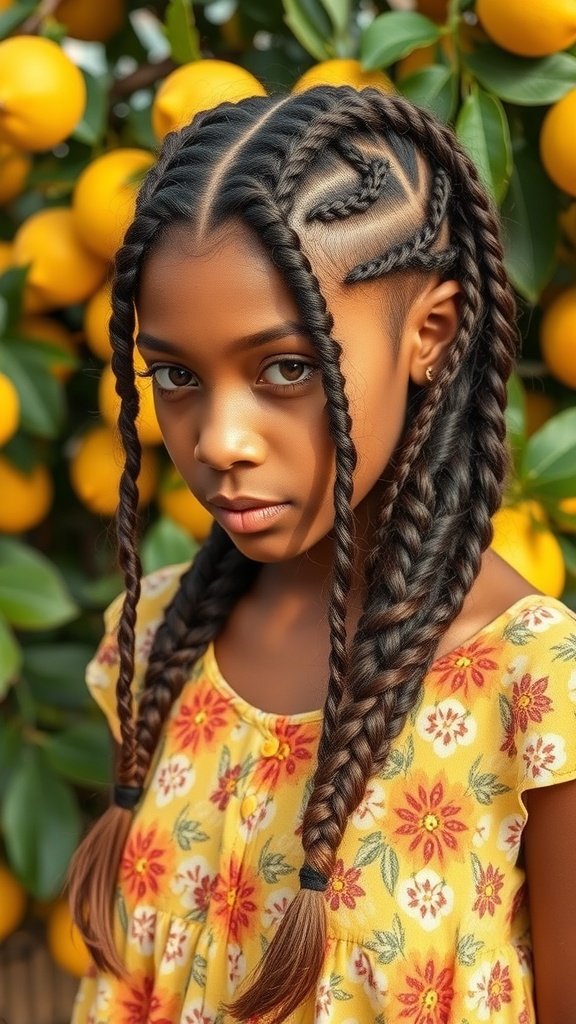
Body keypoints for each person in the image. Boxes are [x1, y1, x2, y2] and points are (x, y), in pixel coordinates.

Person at [69, 85, 576, 1024]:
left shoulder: (536, 692)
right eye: (176, 376)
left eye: (286, 368)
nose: (221, 439)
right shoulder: (151, 646)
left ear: (430, 334)